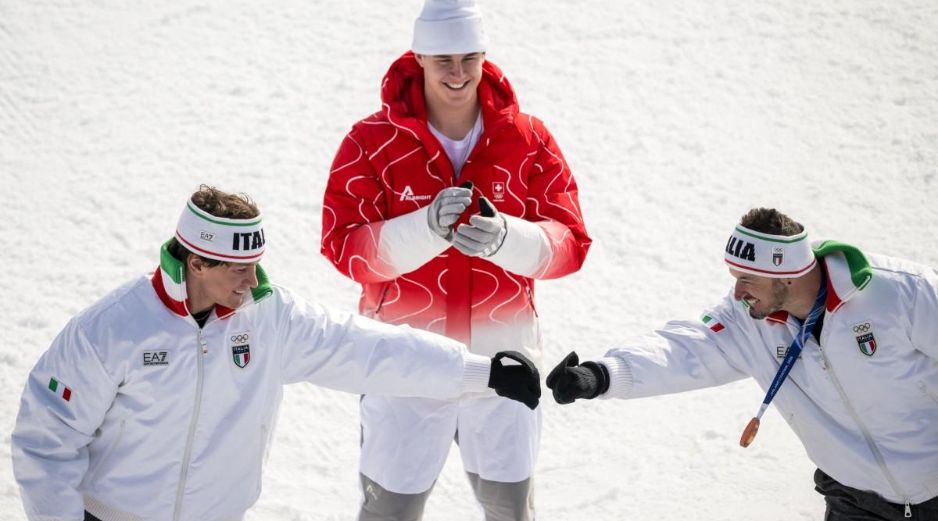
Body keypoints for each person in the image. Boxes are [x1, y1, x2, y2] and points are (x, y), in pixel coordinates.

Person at [11, 185, 541, 521]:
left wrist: (480, 372)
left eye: (256, 262)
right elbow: (46, 439)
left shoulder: (270, 318)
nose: (253, 278)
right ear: (196, 263)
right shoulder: (114, 329)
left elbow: (369, 349)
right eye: (236, 268)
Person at [320, 0, 590, 518]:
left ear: (484, 55)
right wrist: (425, 228)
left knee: (511, 512)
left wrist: (504, 238)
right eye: (443, 58)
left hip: (505, 363)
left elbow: (571, 246)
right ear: (418, 56)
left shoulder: (529, 139)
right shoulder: (370, 142)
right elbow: (345, 248)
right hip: (405, 363)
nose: (459, 73)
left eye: (470, 57)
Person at [546, 207, 938, 520]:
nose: (737, 291)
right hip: (854, 499)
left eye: (748, 278)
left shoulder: (902, 292)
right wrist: (601, 375)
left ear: (786, 275)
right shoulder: (748, 321)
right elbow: (686, 349)